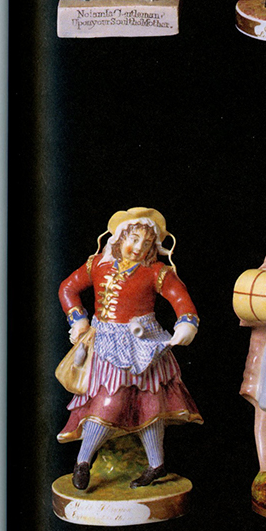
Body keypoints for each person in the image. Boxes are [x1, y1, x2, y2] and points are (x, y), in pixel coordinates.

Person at [57, 208, 200, 490]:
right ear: (120, 238)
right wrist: (79, 319)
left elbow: (181, 300)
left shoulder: (156, 272)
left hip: (144, 343)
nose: (138, 248)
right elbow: (67, 288)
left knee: (150, 402)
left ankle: (156, 464)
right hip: (106, 342)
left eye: (146, 243)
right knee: (109, 399)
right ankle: (83, 461)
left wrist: (186, 324)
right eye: (133, 239)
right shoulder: (98, 265)